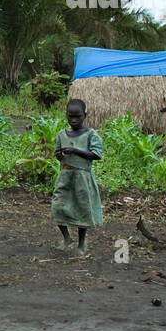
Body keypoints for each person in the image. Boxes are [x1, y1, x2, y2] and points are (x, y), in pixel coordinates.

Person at [51, 98, 104, 255]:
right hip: (65, 176)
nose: (73, 120)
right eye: (70, 116)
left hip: (82, 177)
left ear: (85, 115)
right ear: (66, 115)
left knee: (82, 209)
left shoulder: (90, 135)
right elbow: (58, 155)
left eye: (77, 116)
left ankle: (81, 244)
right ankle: (67, 238)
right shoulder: (61, 135)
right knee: (58, 207)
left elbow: (96, 154)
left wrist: (75, 151)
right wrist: (60, 155)